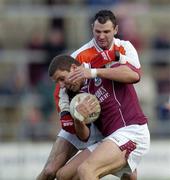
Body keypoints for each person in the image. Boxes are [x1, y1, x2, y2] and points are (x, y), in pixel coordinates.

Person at [37, 10, 139, 180]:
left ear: (115, 29)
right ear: (92, 28)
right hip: (80, 117)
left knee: (129, 174)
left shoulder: (125, 47)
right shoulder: (78, 57)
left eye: (106, 31)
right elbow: (61, 90)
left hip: (111, 120)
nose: (101, 36)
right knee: (50, 171)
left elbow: (135, 74)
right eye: (98, 31)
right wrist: (74, 116)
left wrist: (115, 57)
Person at [48, 54, 150, 180]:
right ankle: (126, 171)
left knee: (86, 170)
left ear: (74, 68)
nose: (61, 85)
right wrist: (78, 118)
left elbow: (134, 75)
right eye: (57, 82)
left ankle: (125, 168)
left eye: (62, 79)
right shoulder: (73, 95)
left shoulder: (100, 65)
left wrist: (94, 72)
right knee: (63, 176)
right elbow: (84, 137)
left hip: (131, 131)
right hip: (109, 140)